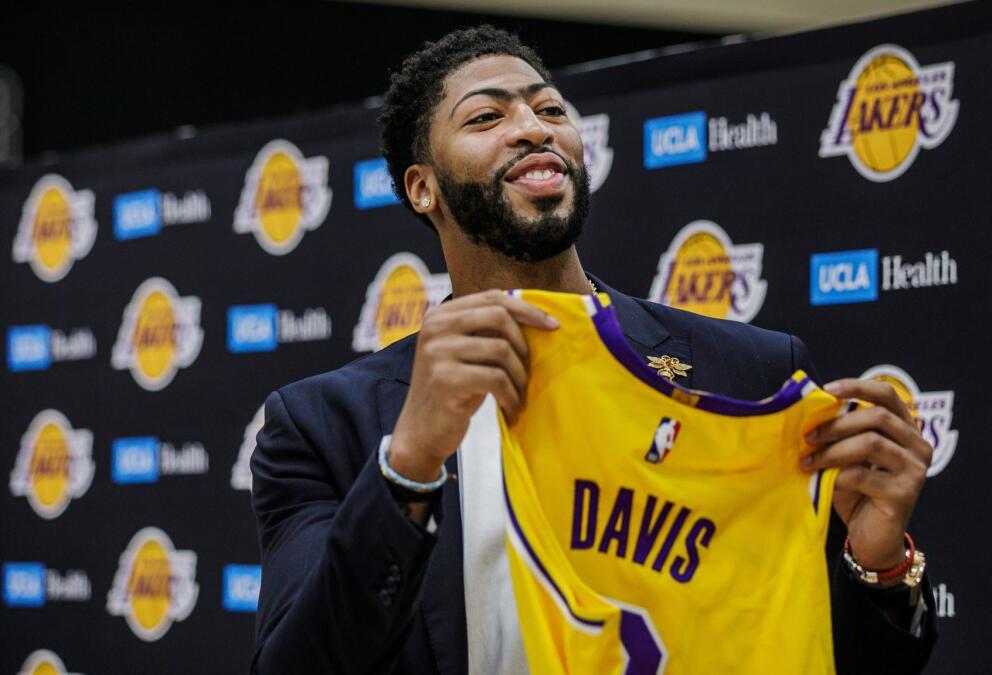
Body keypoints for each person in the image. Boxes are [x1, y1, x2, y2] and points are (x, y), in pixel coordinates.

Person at [251, 25, 937, 674]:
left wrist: (875, 564)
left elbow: (814, 651)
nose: (533, 127)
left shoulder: (750, 371)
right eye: (486, 118)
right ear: (422, 185)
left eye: (551, 109)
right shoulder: (321, 426)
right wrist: (409, 466)